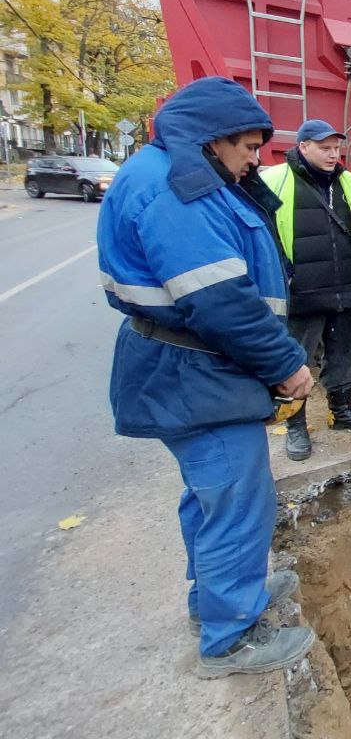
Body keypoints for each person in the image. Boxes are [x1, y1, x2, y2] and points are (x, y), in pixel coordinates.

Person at [97, 76, 316, 678]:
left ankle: (216, 598)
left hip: (187, 370)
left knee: (212, 496)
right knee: (238, 499)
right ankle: (231, 638)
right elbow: (221, 302)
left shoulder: (176, 174)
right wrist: (287, 365)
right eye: (247, 149)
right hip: (193, 371)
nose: (254, 162)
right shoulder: (175, 189)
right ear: (210, 139)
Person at [260, 119, 351, 461]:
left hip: (346, 288)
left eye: (336, 148)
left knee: (342, 356)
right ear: (303, 147)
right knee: (296, 362)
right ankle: (295, 427)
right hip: (303, 293)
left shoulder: (349, 182)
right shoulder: (275, 181)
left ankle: (341, 412)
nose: (332, 154)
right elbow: (265, 238)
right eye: (324, 148)